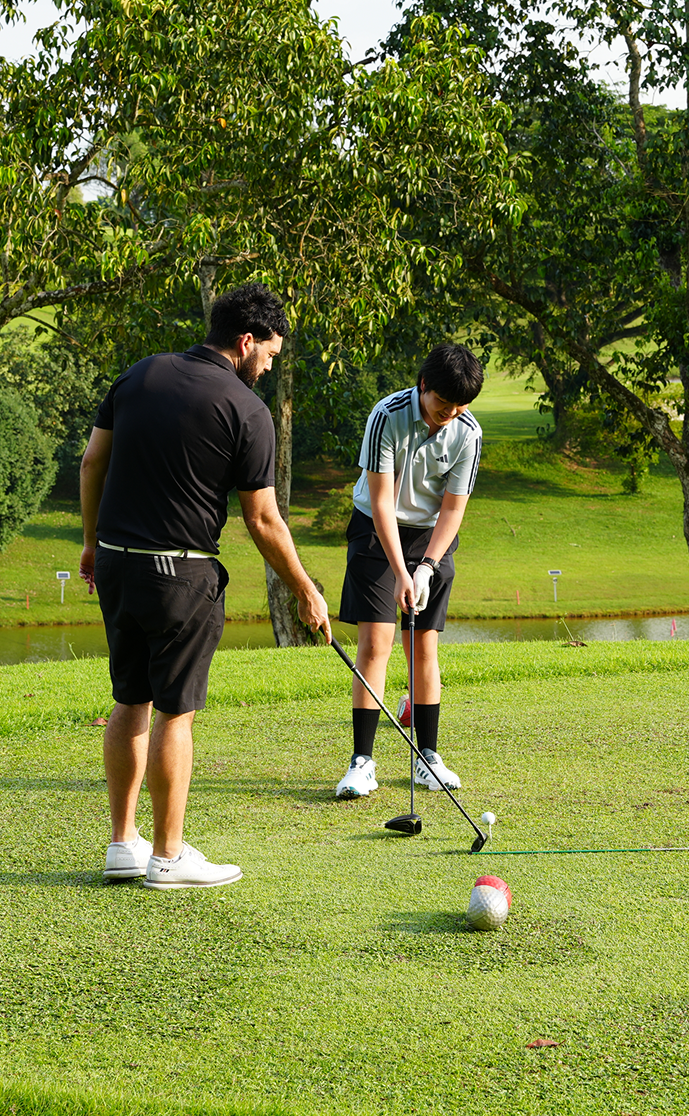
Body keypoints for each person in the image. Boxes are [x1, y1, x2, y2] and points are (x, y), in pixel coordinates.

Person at [79, 284, 330, 890]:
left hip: (115, 563)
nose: (267, 367)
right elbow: (263, 519)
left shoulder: (140, 374)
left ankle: (123, 845)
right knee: (176, 712)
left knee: (130, 700)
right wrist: (304, 588)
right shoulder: (248, 411)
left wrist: (90, 543)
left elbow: (92, 463)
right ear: (245, 341)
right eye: (268, 354)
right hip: (180, 576)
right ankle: (167, 856)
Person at [332, 343, 485, 800]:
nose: (450, 414)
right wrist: (402, 571)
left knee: (423, 646)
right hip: (376, 529)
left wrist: (427, 568)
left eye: (460, 406)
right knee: (375, 643)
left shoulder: (468, 433)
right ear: (423, 386)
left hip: (430, 536)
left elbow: (453, 510)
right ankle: (362, 763)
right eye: (444, 403)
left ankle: (428, 758)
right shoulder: (387, 415)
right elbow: (381, 501)